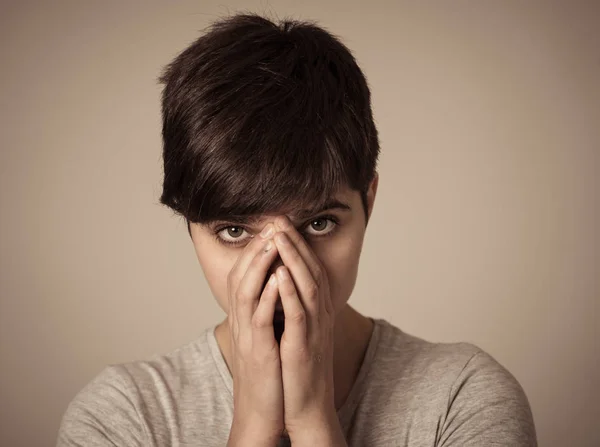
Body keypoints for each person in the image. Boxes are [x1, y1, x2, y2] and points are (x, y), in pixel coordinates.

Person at [56, 12, 537, 447]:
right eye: (234, 232)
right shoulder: (122, 419)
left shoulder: (464, 397)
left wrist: (311, 420)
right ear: (188, 221)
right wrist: (253, 427)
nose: (282, 274)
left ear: (368, 201)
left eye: (319, 223)